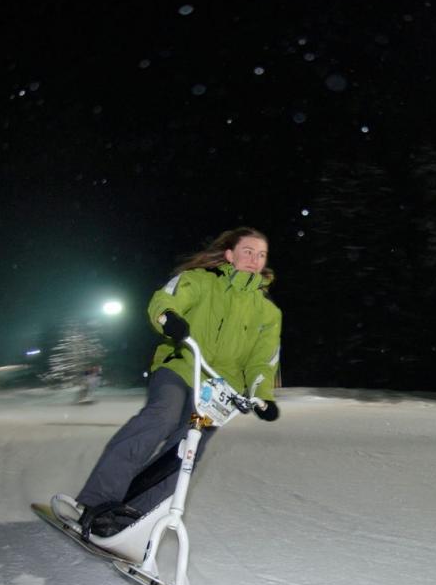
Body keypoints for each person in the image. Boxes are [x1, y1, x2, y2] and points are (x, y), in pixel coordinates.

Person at [56, 226, 281, 535]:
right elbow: (164, 300)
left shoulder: (268, 313)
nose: (254, 260)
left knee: (187, 450)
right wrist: (169, 319)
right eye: (248, 252)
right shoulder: (201, 281)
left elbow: (263, 361)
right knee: (162, 416)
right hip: (181, 365)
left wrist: (262, 395)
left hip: (218, 390)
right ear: (230, 255)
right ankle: (94, 502)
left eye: (261, 255)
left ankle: (129, 514)